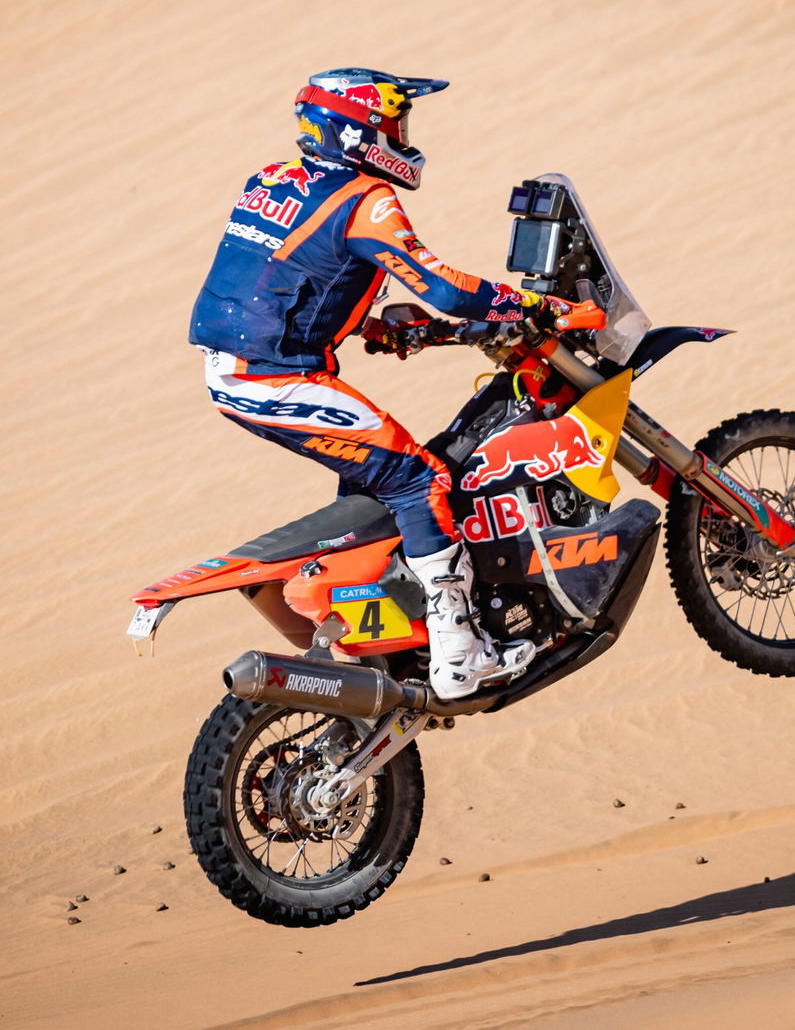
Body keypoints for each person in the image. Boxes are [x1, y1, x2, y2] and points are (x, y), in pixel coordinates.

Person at [188, 68, 602, 700]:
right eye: (392, 123)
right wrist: (530, 307)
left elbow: (275, 280)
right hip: (276, 378)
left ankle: (383, 623)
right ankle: (459, 652)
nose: (401, 136)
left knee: (373, 477)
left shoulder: (270, 182)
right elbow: (443, 288)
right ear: (358, 129)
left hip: (239, 369)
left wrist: (372, 324)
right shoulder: (366, 199)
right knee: (418, 477)